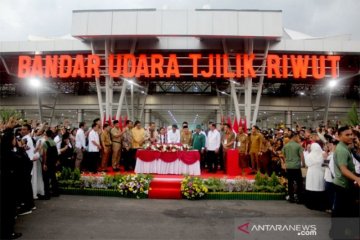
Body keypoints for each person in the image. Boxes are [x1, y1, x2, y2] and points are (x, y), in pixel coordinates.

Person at [330, 126, 360, 239]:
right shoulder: (342, 150)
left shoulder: (344, 147)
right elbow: (344, 170)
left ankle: (337, 233)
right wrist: (357, 179)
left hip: (342, 184)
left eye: (351, 134)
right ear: (339, 136)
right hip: (342, 185)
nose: (351, 136)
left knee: (342, 210)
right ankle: (337, 233)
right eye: (347, 135)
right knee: (341, 211)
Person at [0, 130, 22, 239]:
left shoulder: (3, 152)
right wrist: (21, 149)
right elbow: (22, 162)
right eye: (14, 139)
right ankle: (9, 232)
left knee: (4, 209)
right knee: (9, 210)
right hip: (10, 185)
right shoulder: (11, 154)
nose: (16, 140)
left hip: (4, 184)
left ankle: (5, 231)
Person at [282, 132, 305, 203]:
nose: (298, 139)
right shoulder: (298, 146)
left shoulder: (286, 146)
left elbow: (284, 156)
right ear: (294, 137)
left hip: (289, 166)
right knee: (299, 183)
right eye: (297, 137)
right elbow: (302, 157)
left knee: (290, 183)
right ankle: (299, 198)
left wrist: (285, 164)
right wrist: (303, 164)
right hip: (296, 166)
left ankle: (291, 198)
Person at [304, 142, 326, 211]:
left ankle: (311, 205)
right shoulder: (322, 154)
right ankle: (319, 206)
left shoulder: (309, 155)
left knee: (311, 187)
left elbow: (307, 164)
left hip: (311, 173)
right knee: (319, 187)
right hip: (320, 172)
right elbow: (325, 164)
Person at [42, 130, 60, 199]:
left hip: (48, 162)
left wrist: (44, 163)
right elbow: (56, 153)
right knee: (53, 177)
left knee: (46, 178)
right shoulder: (53, 142)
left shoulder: (45, 143)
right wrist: (57, 160)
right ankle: (55, 192)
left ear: (46, 135)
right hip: (53, 162)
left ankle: (47, 194)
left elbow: (45, 154)